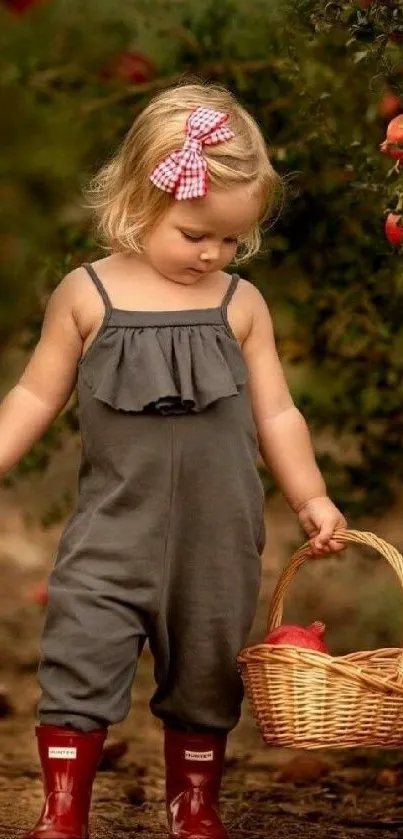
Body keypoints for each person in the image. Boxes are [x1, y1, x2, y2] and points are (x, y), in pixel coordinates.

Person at [0, 82, 347, 839]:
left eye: (231, 239)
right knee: (79, 658)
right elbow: (32, 393)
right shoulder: (85, 296)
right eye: (196, 233)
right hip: (109, 534)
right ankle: (63, 812)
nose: (213, 253)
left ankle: (195, 808)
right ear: (137, 200)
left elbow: (277, 411)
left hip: (216, 541)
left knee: (204, 671)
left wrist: (310, 496)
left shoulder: (238, 304)